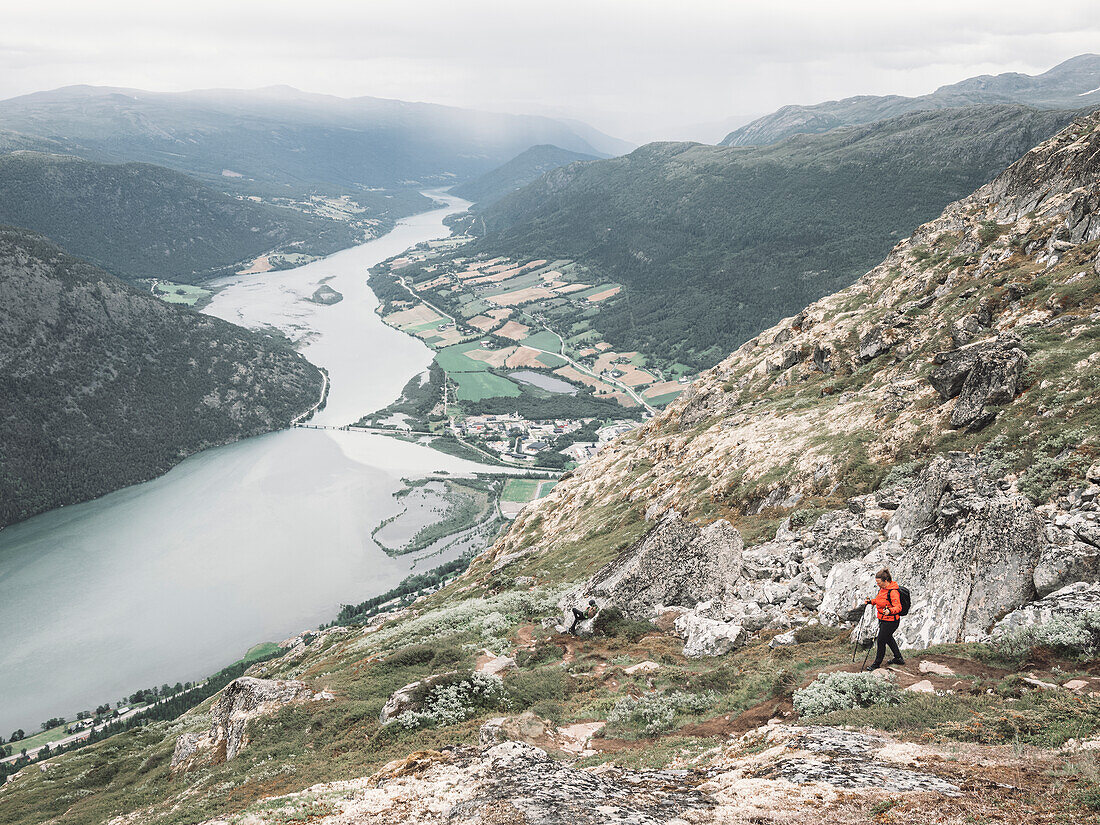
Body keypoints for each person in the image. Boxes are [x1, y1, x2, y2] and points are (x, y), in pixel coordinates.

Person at [864, 568, 905, 669]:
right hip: (883, 619)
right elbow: (880, 600)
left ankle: (876, 664)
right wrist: (871, 602)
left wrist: (890, 611)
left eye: (879, 582)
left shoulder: (893, 592)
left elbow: (898, 607)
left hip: (891, 621)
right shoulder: (883, 589)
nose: (877, 584)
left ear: (885, 581)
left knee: (881, 641)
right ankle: (898, 658)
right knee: (888, 638)